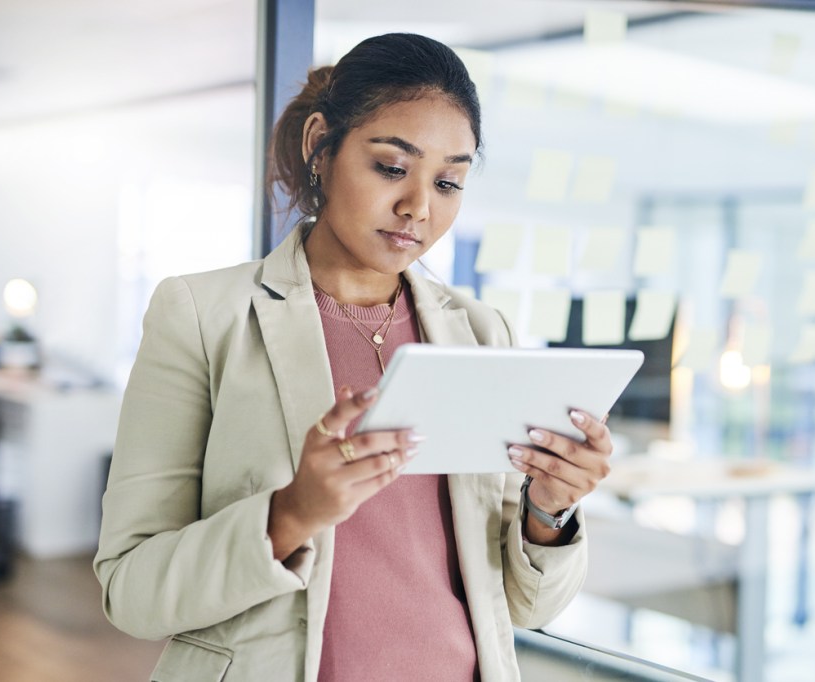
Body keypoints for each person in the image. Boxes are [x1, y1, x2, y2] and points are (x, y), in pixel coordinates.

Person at [95, 33, 614, 681]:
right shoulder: (202, 315)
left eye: (449, 181)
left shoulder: (484, 332)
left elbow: (525, 607)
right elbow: (132, 592)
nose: (419, 208)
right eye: (393, 168)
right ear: (321, 145)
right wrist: (290, 515)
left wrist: (550, 510)